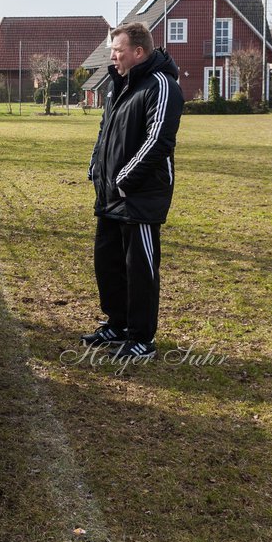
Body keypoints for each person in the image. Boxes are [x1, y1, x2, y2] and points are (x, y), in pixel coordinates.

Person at [83, 22, 183, 361]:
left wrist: (124, 178)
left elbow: (158, 141)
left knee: (139, 268)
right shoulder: (118, 85)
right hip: (109, 193)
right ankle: (118, 324)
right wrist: (97, 165)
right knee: (108, 262)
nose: (112, 56)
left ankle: (141, 338)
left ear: (138, 52)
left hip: (139, 197)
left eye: (117, 50)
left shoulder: (162, 85)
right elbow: (105, 130)